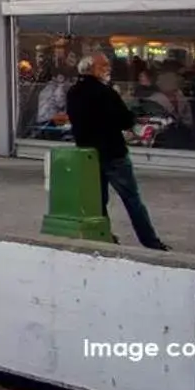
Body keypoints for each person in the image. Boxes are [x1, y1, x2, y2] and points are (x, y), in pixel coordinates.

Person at [64, 54, 168, 251]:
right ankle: (150, 241)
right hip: (112, 151)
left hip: (88, 153)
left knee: (98, 200)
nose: (108, 68)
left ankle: (104, 236)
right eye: (103, 65)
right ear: (92, 69)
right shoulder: (105, 92)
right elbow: (125, 120)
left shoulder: (73, 92)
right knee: (132, 198)